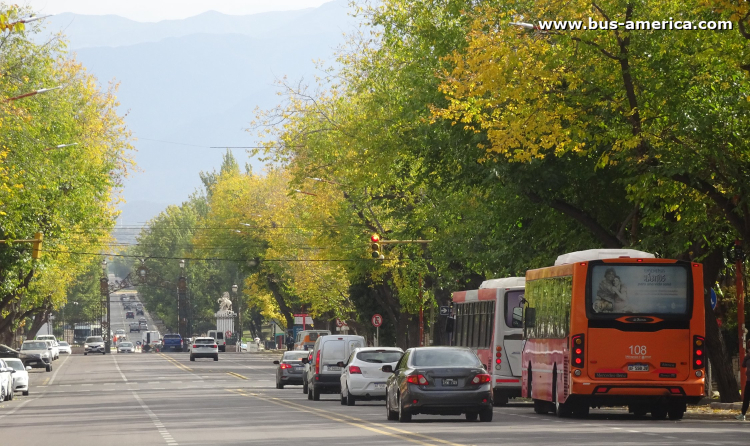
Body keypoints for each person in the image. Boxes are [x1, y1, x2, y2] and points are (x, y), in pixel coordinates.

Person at [737, 341, 750, 421]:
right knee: (746, 398)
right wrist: (747, 357)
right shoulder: (748, 357)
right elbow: (743, 365)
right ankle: (743, 414)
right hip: (749, 380)